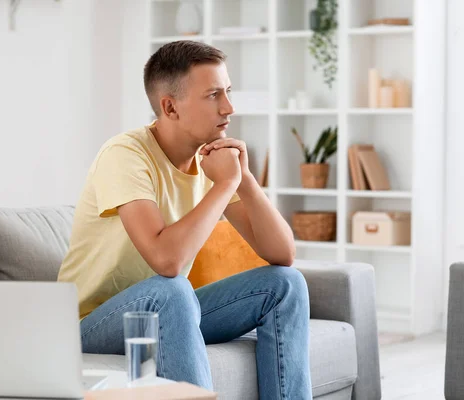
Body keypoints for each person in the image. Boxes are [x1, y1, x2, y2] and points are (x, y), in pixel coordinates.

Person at [58, 40, 312, 399]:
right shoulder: (125, 155)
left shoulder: (211, 161)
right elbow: (167, 261)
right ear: (170, 107)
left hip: (170, 310)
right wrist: (224, 185)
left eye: (227, 91)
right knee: (172, 288)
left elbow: (282, 254)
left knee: (286, 284)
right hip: (92, 325)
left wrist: (246, 181)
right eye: (213, 95)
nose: (229, 107)